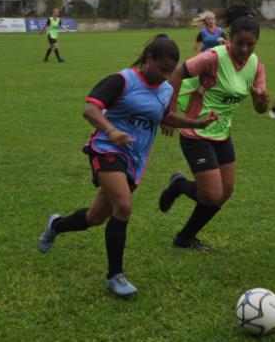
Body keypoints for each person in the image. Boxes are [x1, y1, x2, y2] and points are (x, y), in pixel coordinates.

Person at [37, 35, 218, 297]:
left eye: (170, 71)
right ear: (149, 59)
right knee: (123, 206)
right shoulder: (123, 80)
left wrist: (198, 124)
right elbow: (90, 110)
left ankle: (56, 226)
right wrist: (111, 131)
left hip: (135, 159)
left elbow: (165, 117)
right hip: (107, 148)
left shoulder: (166, 90)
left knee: (95, 217)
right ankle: (115, 276)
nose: (166, 76)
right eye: (162, 69)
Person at [158, 6, 269, 251]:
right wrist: (170, 113)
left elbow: (261, 108)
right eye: (240, 43)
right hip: (196, 132)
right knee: (210, 195)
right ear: (229, 39)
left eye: (250, 44)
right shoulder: (213, 57)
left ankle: (185, 237)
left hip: (222, 133)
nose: (244, 49)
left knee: (224, 193)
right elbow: (176, 74)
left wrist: (261, 99)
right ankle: (178, 184)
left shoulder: (256, 65)